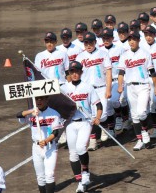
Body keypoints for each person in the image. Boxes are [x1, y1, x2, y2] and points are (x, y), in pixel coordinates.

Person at [60, 61, 103, 193]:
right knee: (73, 155)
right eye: (72, 72)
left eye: (77, 71)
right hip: (70, 124)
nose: (74, 74)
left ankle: (85, 174)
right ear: (69, 73)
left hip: (85, 122)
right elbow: (58, 106)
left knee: (80, 148)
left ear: (81, 72)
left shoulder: (88, 87)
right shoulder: (64, 89)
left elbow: (99, 105)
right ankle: (80, 183)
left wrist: (97, 117)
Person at [117, 30, 156, 151]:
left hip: (143, 86)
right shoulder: (124, 55)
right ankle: (140, 139)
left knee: (141, 112)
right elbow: (121, 72)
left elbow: (152, 72)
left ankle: (144, 133)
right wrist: (120, 85)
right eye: (129, 39)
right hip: (130, 87)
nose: (131, 42)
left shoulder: (145, 54)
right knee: (134, 116)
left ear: (139, 40)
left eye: (134, 39)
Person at [16, 96, 63, 193]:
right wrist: (31, 112)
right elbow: (18, 115)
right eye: (37, 99)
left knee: (49, 175)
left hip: (50, 147)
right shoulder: (32, 113)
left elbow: (56, 132)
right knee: (40, 177)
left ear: (47, 100)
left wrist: (46, 140)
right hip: (36, 148)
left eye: (41, 99)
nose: (39, 101)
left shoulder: (54, 114)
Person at [75, 32, 113, 149]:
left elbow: (108, 72)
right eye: (86, 42)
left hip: (101, 88)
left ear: (95, 42)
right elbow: (76, 75)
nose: (88, 45)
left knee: (102, 115)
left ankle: (105, 127)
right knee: (90, 116)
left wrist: (108, 88)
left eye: (90, 42)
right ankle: (92, 140)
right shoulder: (80, 57)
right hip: (87, 90)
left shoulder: (103, 54)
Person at [99, 28, 127, 132]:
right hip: (105, 81)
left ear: (112, 38)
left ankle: (121, 117)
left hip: (117, 79)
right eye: (104, 38)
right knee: (108, 103)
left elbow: (125, 65)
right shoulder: (99, 51)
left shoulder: (119, 49)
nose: (106, 40)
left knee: (116, 100)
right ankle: (113, 124)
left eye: (108, 38)